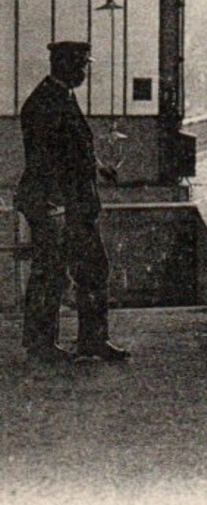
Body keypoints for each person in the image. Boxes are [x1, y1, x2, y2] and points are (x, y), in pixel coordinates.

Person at [16, 40, 128, 362]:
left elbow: (71, 149)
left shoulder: (62, 96)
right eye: (79, 66)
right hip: (56, 205)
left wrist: (98, 168)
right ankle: (40, 346)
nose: (83, 72)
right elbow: (44, 161)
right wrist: (57, 206)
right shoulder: (44, 102)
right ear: (61, 65)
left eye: (84, 66)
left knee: (92, 269)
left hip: (74, 205)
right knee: (51, 273)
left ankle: (92, 341)